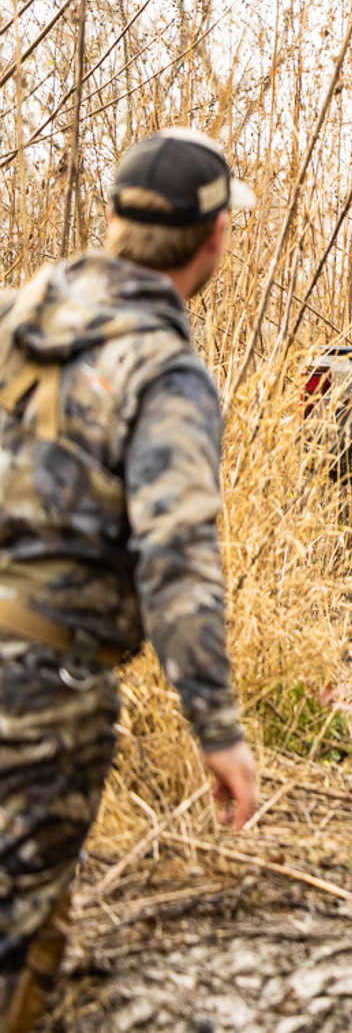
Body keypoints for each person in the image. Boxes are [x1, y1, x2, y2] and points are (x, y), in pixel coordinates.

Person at [0, 129, 260, 1031]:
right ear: (214, 237)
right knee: (19, 952)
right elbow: (177, 557)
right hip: (39, 691)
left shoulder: (11, 319)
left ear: (110, 218)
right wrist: (218, 729)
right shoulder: (164, 373)